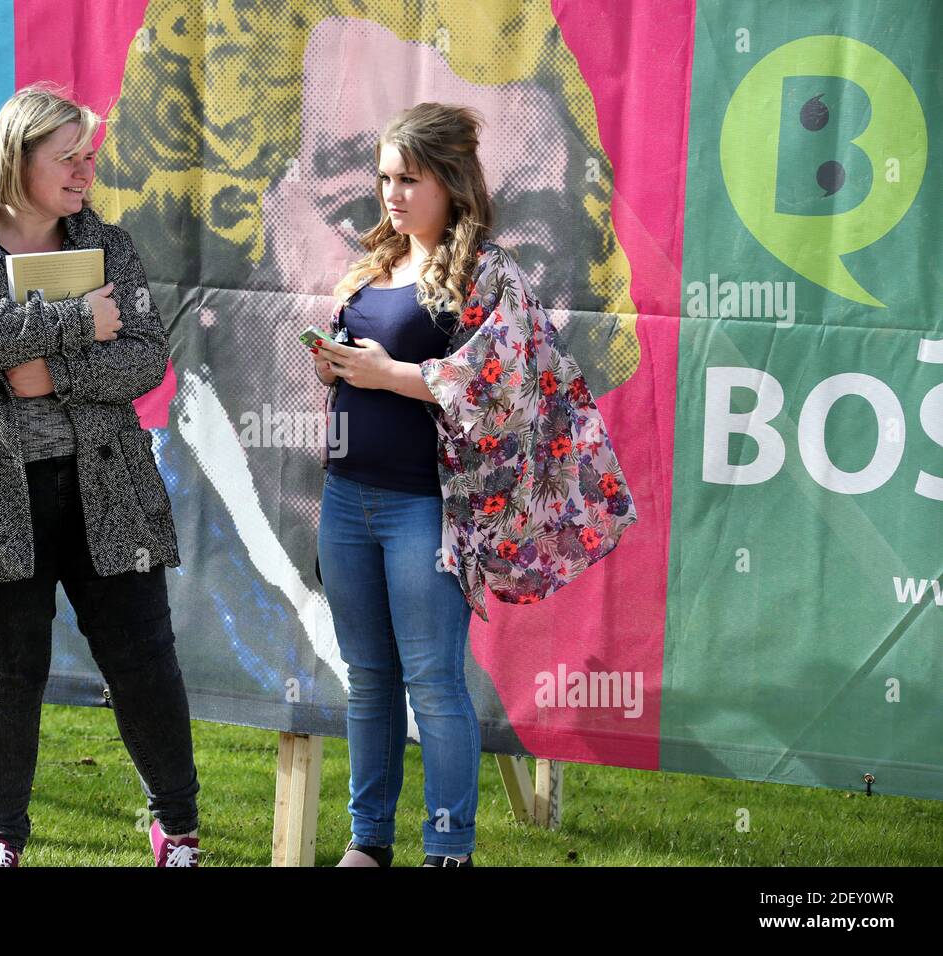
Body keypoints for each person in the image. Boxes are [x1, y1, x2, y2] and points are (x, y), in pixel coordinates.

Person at [311, 102, 637, 867]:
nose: (392, 193)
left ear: (451, 184)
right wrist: (336, 363)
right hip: (345, 496)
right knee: (368, 679)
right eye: (385, 177)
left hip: (425, 507)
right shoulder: (373, 263)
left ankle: (448, 847)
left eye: (409, 179)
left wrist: (395, 374)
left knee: (432, 679)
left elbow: (508, 382)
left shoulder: (490, 272)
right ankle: (369, 841)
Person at [0, 81, 201, 867]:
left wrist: (50, 373)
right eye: (67, 158)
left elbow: (144, 356)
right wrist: (78, 324)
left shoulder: (109, 243)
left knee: (143, 661)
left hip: (108, 489)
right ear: (16, 156)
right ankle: (0, 842)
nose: (85, 172)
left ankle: (179, 830)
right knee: (4, 672)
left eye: (90, 156)